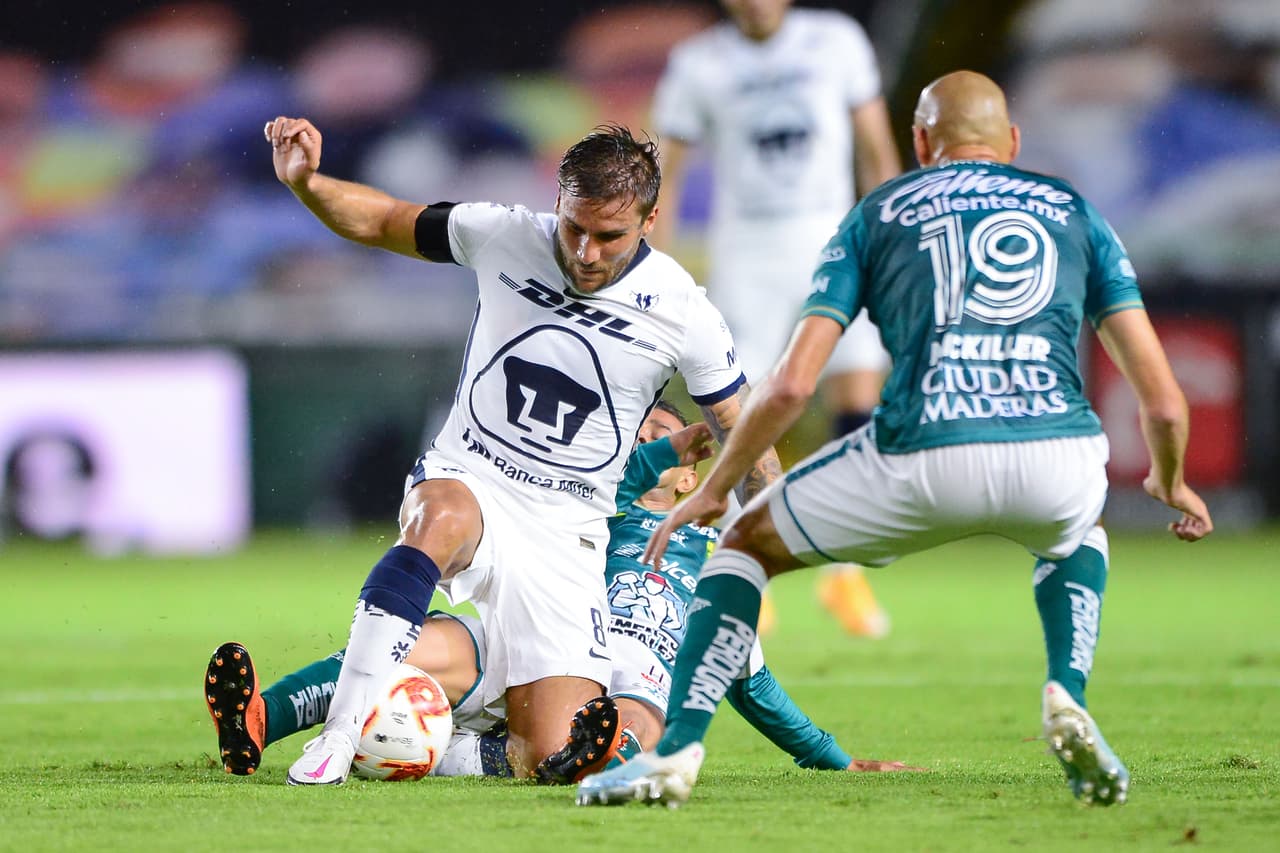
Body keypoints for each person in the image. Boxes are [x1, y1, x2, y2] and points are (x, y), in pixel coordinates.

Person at [576, 70, 1214, 809]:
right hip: (1056, 455)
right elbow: (1163, 400)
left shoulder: (878, 211)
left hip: (921, 453)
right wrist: (1169, 479)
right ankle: (1066, 694)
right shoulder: (1076, 211)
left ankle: (676, 753)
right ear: (1011, 141)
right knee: (1079, 535)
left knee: (744, 546)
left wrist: (718, 490)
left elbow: (788, 386)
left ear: (918, 143)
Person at [259, 116, 780, 784]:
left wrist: (775, 534)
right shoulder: (505, 233)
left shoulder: (685, 311)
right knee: (440, 515)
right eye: (573, 227)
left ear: (650, 221)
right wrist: (307, 183)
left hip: (568, 534)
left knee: (548, 753)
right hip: (470, 474)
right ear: (557, 204)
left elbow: (743, 428)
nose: (586, 252)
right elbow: (383, 218)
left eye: (609, 236)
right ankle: (336, 735)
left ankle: (420, 737)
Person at [204, 403, 916, 778]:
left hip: (634, 668)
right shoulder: (591, 510)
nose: (642, 444)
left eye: (659, 436)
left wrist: (831, 757)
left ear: (690, 476)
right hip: (540, 631)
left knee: (634, 714)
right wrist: (650, 455)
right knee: (424, 642)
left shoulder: (724, 556)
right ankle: (257, 721)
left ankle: (557, 756)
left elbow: (750, 679)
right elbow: (616, 480)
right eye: (633, 436)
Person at [650, 0, 902, 637]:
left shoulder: (836, 40)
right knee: (744, 407)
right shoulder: (699, 61)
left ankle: (843, 572)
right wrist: (656, 267)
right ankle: (751, 564)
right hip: (748, 248)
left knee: (857, 395)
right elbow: (667, 174)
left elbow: (876, 149)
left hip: (835, 234)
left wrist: (893, 236)